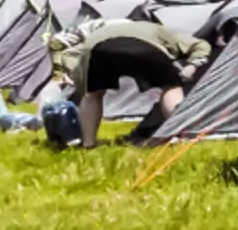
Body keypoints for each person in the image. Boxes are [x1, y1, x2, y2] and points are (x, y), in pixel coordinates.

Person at [45, 17, 212, 144]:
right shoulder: (157, 29)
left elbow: (67, 51)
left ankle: (88, 144)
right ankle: (180, 136)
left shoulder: (96, 30)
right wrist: (193, 65)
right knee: (171, 87)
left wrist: (76, 80)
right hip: (145, 47)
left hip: (100, 48)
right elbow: (201, 45)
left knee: (93, 95)